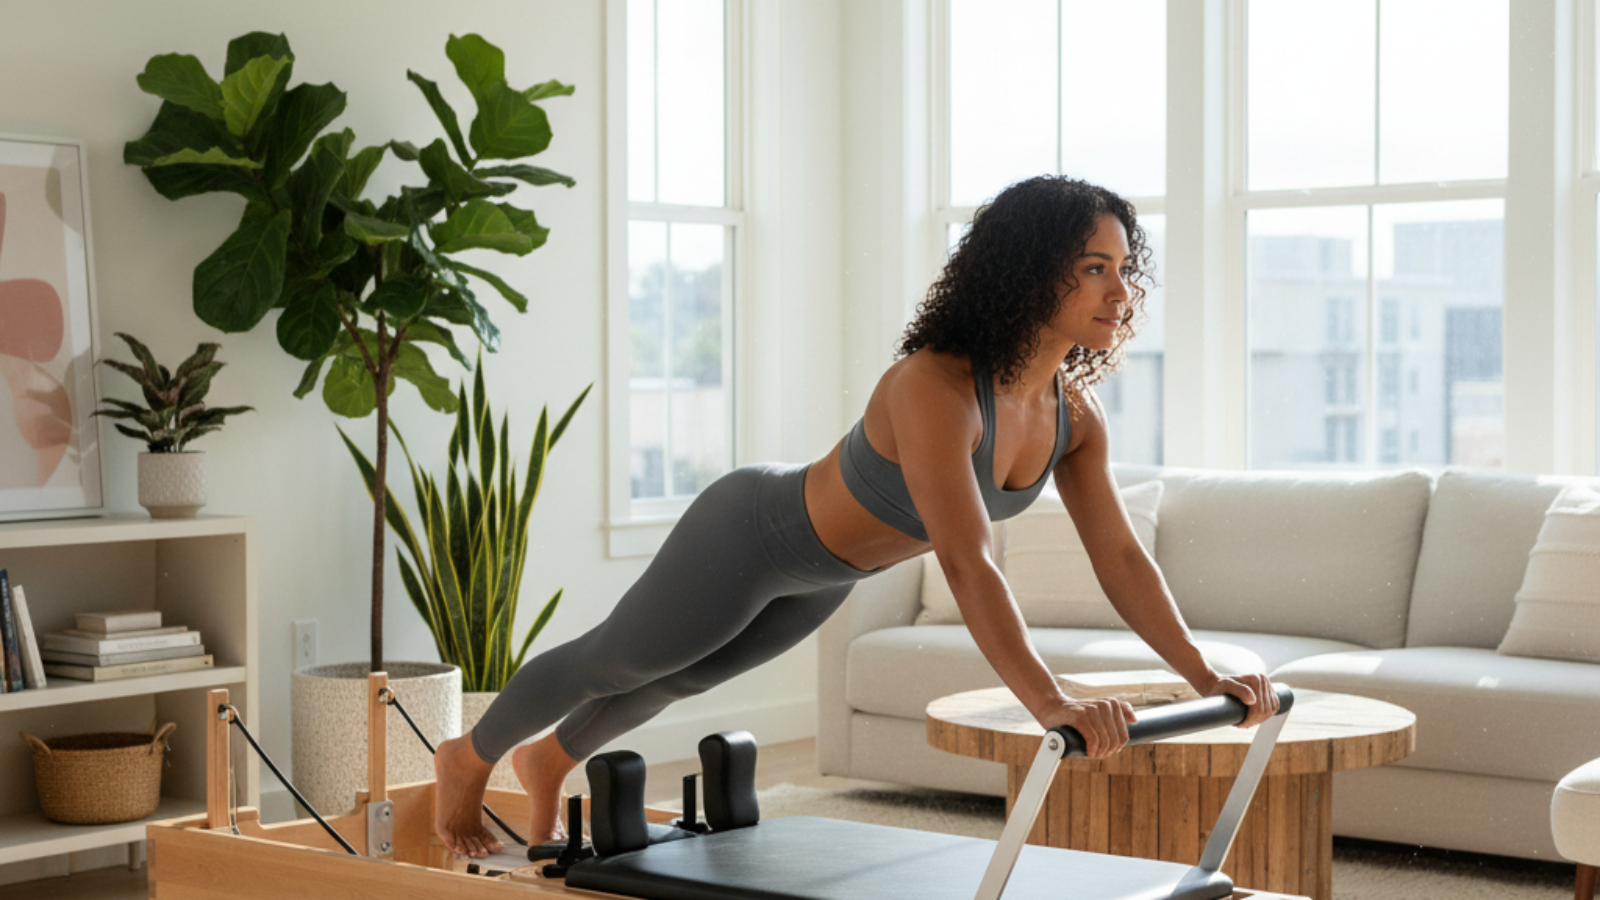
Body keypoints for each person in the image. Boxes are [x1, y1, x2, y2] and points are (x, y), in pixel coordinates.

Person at [430, 175, 1279, 858]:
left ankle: (551, 759)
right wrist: (1048, 701)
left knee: (680, 676)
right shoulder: (937, 387)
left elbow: (1122, 560)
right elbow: (967, 561)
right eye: (1094, 266)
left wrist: (1204, 674)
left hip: (833, 573)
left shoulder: (1074, 418)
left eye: (1124, 269)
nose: (1119, 289)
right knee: (618, 660)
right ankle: (468, 758)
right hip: (754, 535)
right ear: (1028, 268)